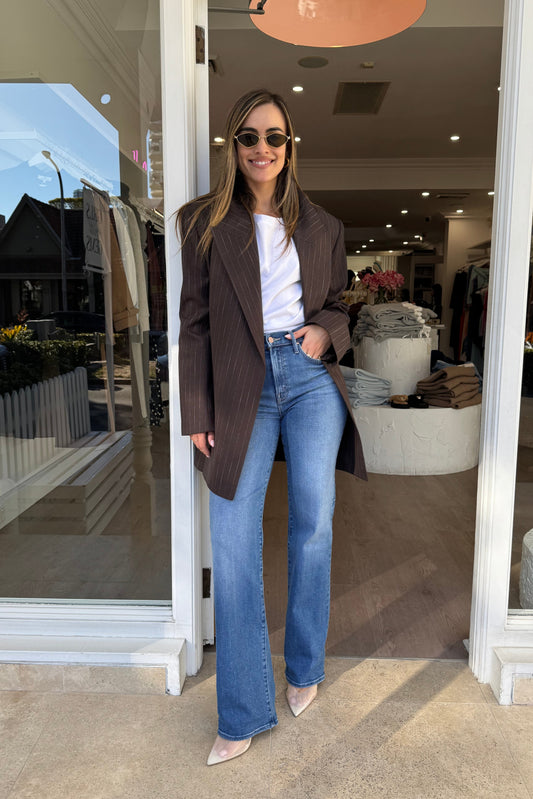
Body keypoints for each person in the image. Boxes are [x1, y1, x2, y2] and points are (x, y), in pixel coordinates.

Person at [177, 89, 367, 766]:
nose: (263, 148)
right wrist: (195, 410)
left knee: (313, 523)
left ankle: (304, 665)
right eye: (250, 136)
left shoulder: (321, 226)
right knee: (232, 540)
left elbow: (339, 305)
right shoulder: (200, 221)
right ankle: (241, 709)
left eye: (276, 137)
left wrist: (324, 328)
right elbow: (193, 322)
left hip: (310, 378)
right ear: (233, 144)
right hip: (240, 386)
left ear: (291, 146)